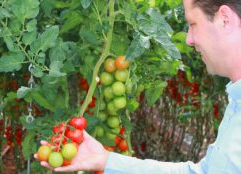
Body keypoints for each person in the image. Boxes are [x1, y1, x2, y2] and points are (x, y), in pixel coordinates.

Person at [38, 0, 241, 173]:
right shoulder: (236, 101)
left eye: (192, 24)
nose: (188, 39)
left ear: (225, 19)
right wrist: (106, 160)